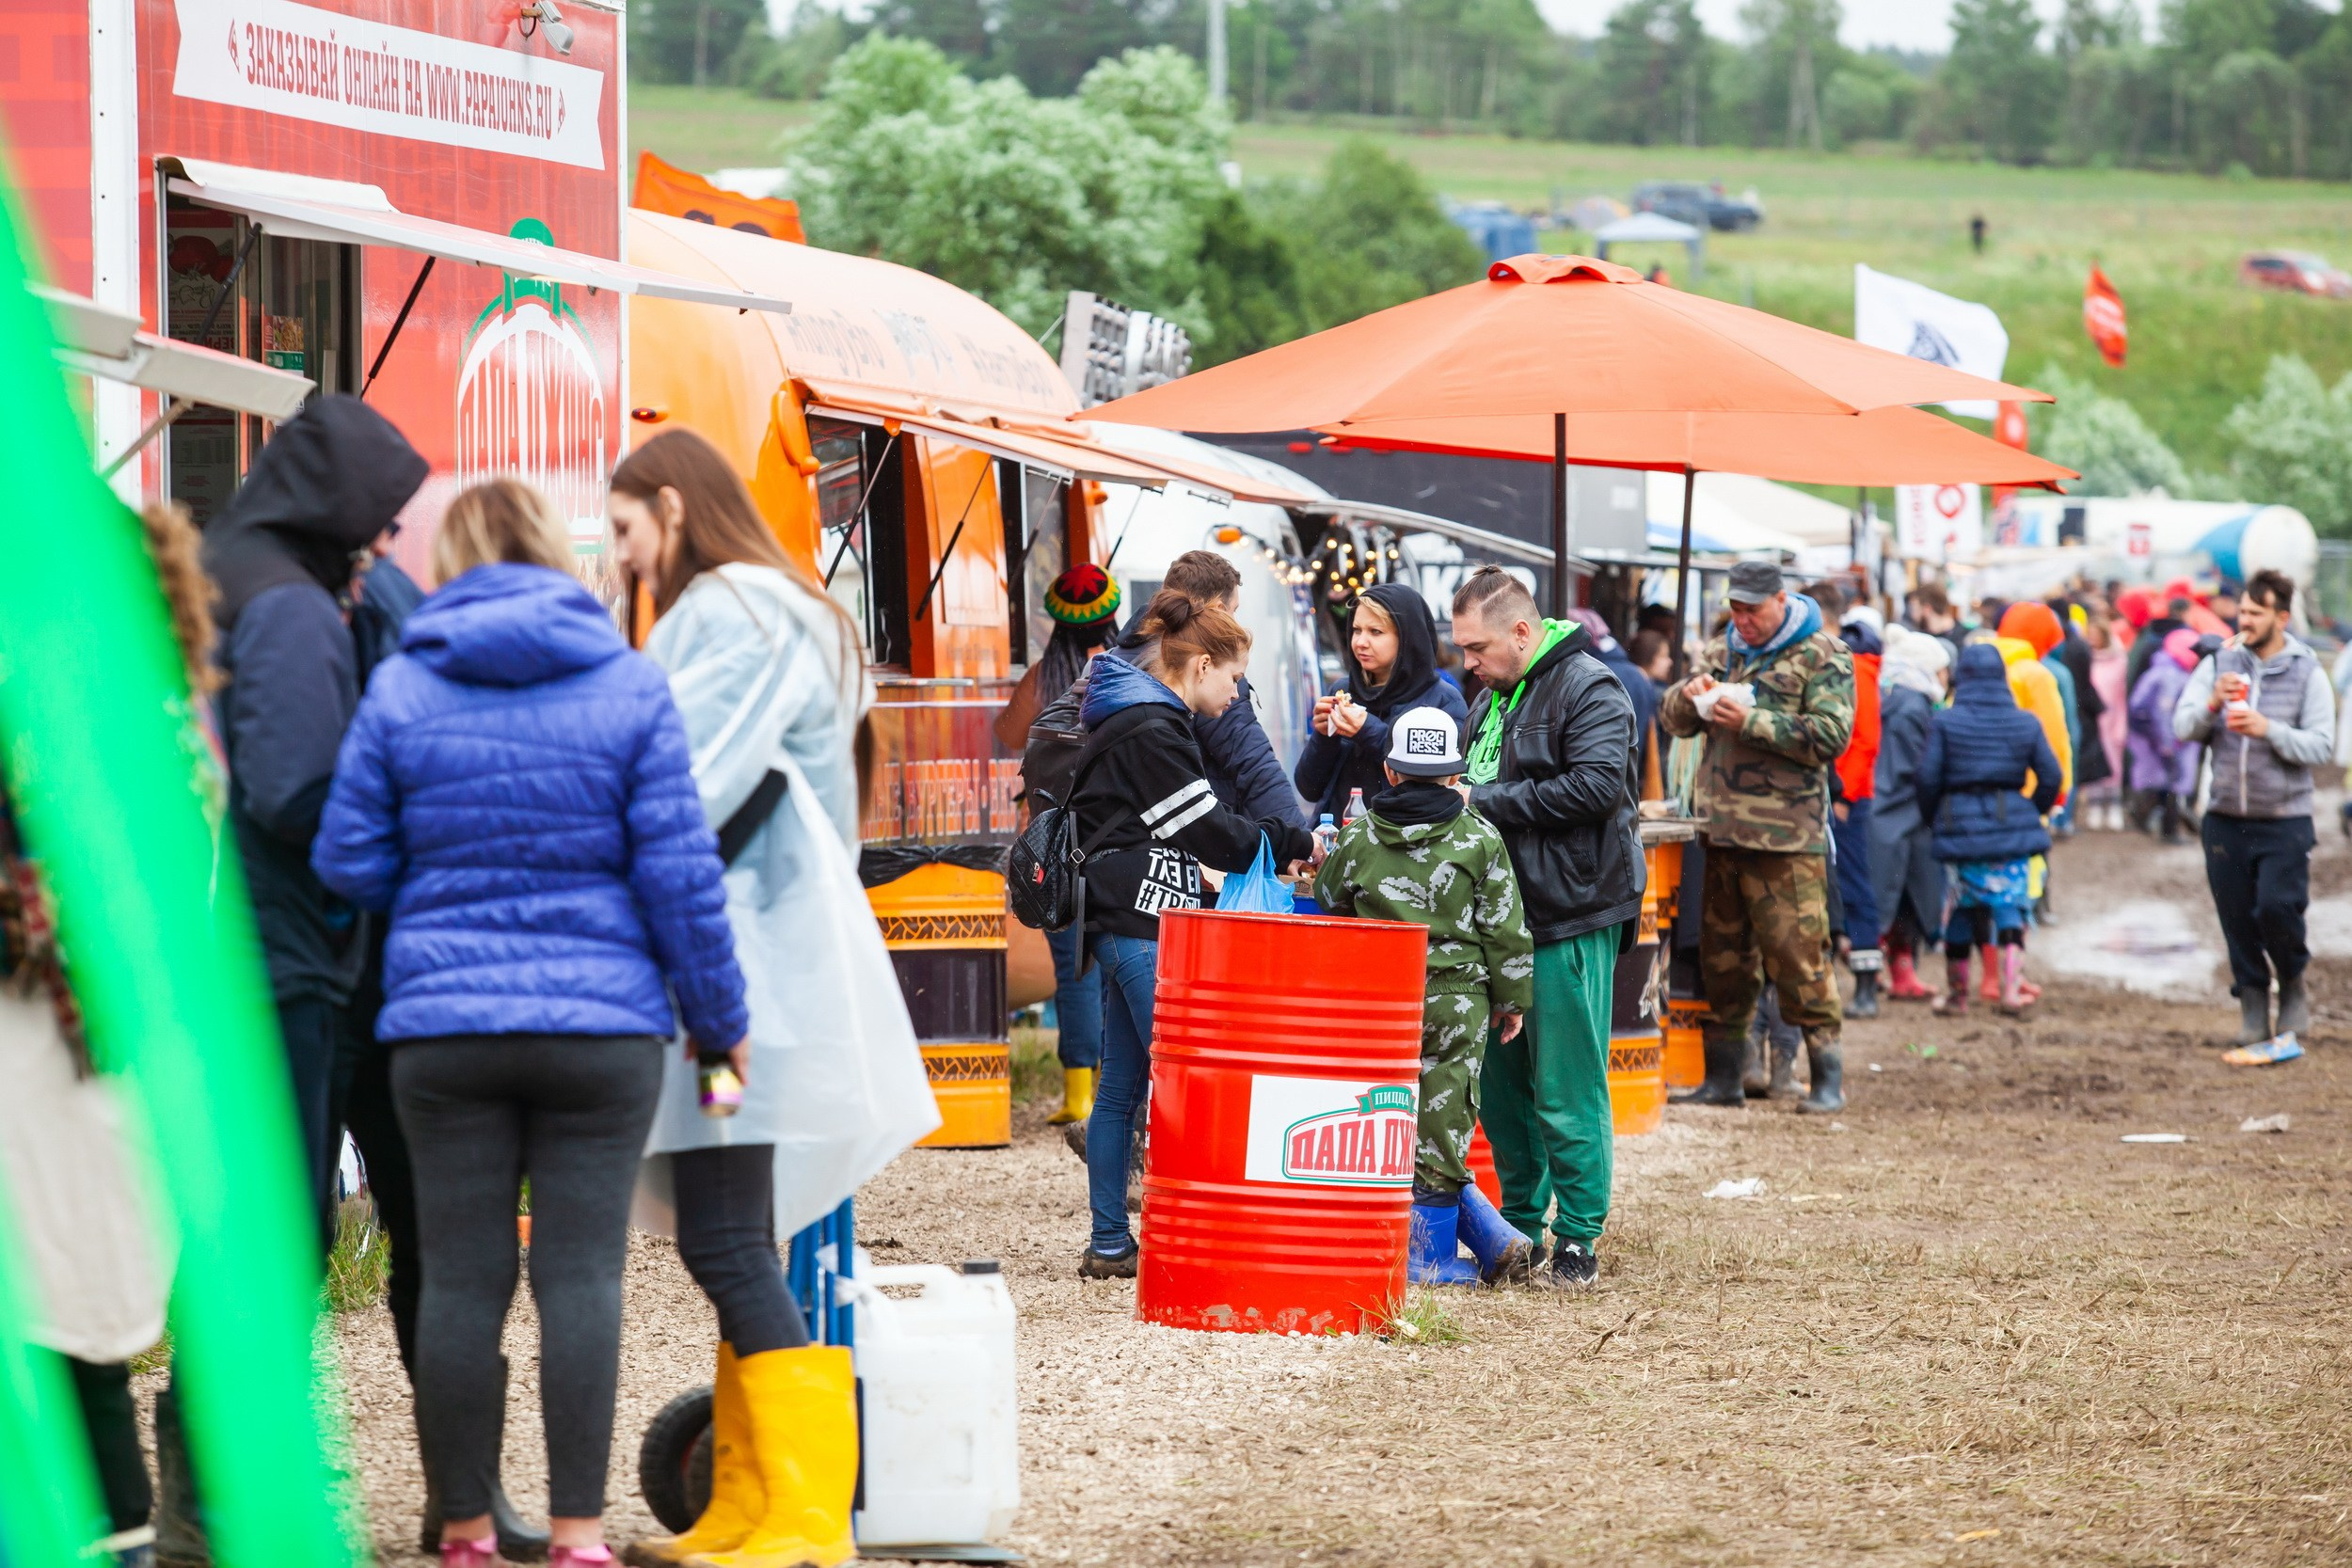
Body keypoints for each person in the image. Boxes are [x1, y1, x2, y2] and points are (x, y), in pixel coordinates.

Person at [312, 479, 749, 1568]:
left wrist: (443, 874)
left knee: (460, 1278)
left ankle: (463, 1529)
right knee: (580, 1276)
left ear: (453, 558)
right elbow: (681, 876)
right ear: (559, 552)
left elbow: (347, 858)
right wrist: (718, 1021)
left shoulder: (407, 683)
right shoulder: (628, 683)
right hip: (599, 1035)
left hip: (444, 1030)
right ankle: (577, 1534)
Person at [607, 430, 892, 1568]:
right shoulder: (791, 608)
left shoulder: (732, 611)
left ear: (672, 506)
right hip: (751, 984)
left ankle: (803, 1518)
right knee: (727, 1234)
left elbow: (675, 781)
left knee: (724, 1236)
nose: (624, 560)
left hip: (728, 993)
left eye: (626, 531)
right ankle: (753, 1501)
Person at [0, 502, 219, 1568]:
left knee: (52, 1316)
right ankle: (119, 1537)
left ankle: (107, 1539)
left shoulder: (61, 716)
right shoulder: (169, 719)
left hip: (48, 1054)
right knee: (73, 1328)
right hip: (122, 1055)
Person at [199, 395, 428, 1239]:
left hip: (259, 938)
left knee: (267, 1213)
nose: (384, 545)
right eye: (380, 525)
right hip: (293, 948)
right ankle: (217, 1382)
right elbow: (297, 791)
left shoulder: (238, 572)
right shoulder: (292, 607)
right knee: (288, 1222)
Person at [1066, 591, 1317, 1277]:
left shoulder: (1135, 714)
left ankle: (1112, 1243)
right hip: (1138, 921)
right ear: (1201, 665)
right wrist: (1291, 837)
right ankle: (1213, 1237)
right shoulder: (1154, 726)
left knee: (1122, 1087)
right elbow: (1205, 826)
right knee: (1190, 1079)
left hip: (1120, 917)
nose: (1236, 695)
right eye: (1234, 679)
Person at [1450, 568, 1644, 1290]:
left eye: (1477, 647)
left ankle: (1578, 1241)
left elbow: (1597, 786)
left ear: (1522, 632)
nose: (1467, 661)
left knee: (1566, 1086)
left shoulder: (1590, 686)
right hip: (1498, 927)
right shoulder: (1490, 699)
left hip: (1571, 914)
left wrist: (1482, 800)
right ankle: (1519, 1228)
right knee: (1502, 1093)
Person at [1312, 706, 1534, 1288]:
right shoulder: (1479, 837)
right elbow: (1505, 929)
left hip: (1380, 1003)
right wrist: (1511, 1001)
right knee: (1446, 1119)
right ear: (1455, 777)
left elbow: (1331, 902)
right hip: (1459, 1003)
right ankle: (1430, 1259)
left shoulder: (1358, 836)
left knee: (1380, 1115)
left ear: (1389, 772)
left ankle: (1477, 1239)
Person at [1659, 560, 1854, 1116]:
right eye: (1735, 609)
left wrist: (1752, 722)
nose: (1740, 619)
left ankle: (1826, 1081)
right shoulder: (1725, 652)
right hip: (1721, 835)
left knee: (1799, 961)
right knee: (1724, 962)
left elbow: (1832, 735)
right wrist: (1689, 696)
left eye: (1751, 610)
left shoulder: (1823, 654)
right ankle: (1723, 1079)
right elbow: (1675, 721)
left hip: (1787, 841)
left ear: (1781, 601)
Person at [2172, 569, 2335, 1056]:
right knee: (2237, 917)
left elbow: (2322, 746)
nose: (2243, 621)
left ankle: (2292, 982)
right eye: (2241, 611)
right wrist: (2212, 703)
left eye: (2255, 613)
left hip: (2285, 817)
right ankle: (2251, 1004)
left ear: (2281, 617)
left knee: (2278, 908)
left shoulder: (2307, 670)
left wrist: (2269, 730)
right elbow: (2182, 727)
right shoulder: (2220, 661)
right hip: (2224, 815)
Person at [1001, 564, 1123, 1128]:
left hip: (1056, 847)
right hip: (1119, 840)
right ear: (1113, 611)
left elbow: (1005, 733)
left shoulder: (1046, 680)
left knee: (1072, 969)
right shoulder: (1131, 671)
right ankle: (1120, 1088)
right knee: (1123, 962)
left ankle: (1079, 1094)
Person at [1915, 644, 2063, 1017]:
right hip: (2011, 825)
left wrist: (1934, 818)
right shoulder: (2025, 722)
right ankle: (2011, 991)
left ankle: (1957, 997)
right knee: (2010, 905)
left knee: (1962, 910)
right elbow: (2052, 776)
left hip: (1958, 826)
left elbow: (1927, 778)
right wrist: (2030, 811)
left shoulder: (1946, 721)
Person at [1295, 584, 1468, 822]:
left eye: (1376, 632)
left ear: (1408, 637)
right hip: (1341, 842)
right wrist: (1324, 735)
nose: (1361, 642)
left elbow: (1439, 787)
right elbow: (1309, 788)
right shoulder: (1343, 690)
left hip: (1405, 845)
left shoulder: (1443, 699)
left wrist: (1367, 730)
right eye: (1356, 630)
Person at [1814, 581, 1884, 1017]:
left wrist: (1845, 794)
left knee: (1853, 884)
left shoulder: (1853, 665)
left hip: (1845, 797)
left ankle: (1866, 985)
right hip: (1829, 792)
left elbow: (1865, 740)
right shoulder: (1837, 660)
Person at [1868, 628, 1950, 1003]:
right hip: (1904, 813)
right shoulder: (1912, 706)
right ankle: (1889, 974)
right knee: (1903, 898)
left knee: (1896, 898)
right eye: (1942, 670)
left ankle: (1899, 974)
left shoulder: (1891, 698)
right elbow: (1917, 768)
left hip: (1887, 813)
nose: (1945, 678)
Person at [2129, 628, 2204, 844]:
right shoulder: (2172, 675)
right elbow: (2163, 711)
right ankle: (2167, 829)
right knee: (2172, 783)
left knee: (2161, 782)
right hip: (2166, 739)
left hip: (2155, 738)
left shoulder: (2165, 669)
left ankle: (2154, 820)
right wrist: (2168, 742)